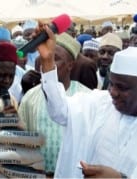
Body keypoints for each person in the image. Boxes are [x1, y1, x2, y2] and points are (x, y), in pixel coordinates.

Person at [36, 23, 137, 178]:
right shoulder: (98, 104)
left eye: (122, 87)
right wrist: (47, 62)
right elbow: (59, 110)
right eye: (111, 84)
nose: (113, 92)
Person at [18, 32, 91, 177]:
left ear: (70, 65)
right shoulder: (30, 97)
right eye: (44, 57)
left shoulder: (86, 97)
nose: (47, 62)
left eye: (55, 59)